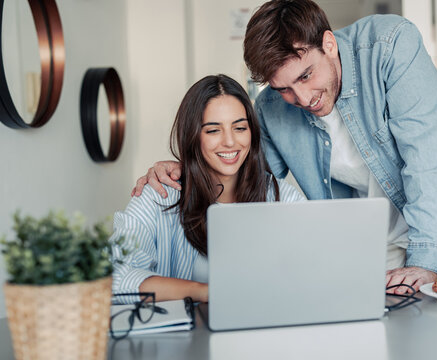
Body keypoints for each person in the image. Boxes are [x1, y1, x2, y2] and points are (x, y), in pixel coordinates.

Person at [132, 0, 437, 294]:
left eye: (305, 76)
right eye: (282, 87)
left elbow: (426, 157)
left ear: (328, 44)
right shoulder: (271, 107)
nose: (301, 98)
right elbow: (245, 174)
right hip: (366, 240)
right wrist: (184, 167)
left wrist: (424, 261)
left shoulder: (390, 45)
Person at [111, 74, 304, 303]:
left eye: (240, 128)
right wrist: (205, 292)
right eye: (213, 130)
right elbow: (114, 277)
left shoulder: (283, 199)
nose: (230, 142)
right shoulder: (159, 195)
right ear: (193, 136)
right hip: (184, 337)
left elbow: (313, 272)